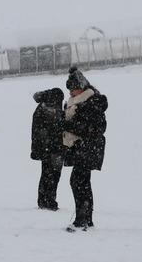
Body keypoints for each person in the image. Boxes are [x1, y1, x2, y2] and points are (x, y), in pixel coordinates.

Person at [62, 67, 108, 232]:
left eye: (73, 89)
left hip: (88, 147)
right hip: (83, 147)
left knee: (79, 182)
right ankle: (85, 219)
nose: (71, 92)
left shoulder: (91, 102)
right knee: (81, 182)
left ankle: (83, 220)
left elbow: (94, 127)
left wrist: (66, 124)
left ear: (81, 87)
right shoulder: (78, 102)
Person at [31, 88, 65, 211]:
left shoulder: (42, 108)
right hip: (53, 149)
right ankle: (49, 201)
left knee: (46, 174)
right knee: (53, 175)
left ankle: (44, 200)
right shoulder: (50, 110)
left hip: (46, 149)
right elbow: (53, 130)